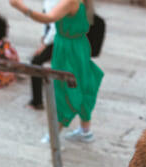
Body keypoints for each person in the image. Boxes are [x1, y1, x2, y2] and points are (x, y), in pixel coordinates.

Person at [9, 0, 103, 143]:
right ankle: (85, 131)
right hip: (79, 47)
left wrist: (21, 7)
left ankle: (53, 136)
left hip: (67, 50)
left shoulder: (70, 2)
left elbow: (49, 18)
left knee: (63, 92)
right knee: (82, 86)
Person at [28, 0, 59, 109]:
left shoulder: (54, 2)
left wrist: (45, 44)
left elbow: (55, 27)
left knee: (35, 62)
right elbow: (46, 21)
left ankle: (37, 101)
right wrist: (43, 37)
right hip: (54, 38)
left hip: (58, 39)